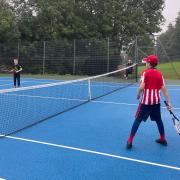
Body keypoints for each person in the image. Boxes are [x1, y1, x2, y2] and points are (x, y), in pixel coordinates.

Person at [126, 55, 172, 149]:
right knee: (159, 120)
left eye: (147, 62)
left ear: (149, 64)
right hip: (156, 102)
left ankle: (130, 141)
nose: (146, 64)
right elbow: (164, 89)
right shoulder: (160, 74)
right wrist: (169, 103)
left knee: (137, 120)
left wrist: (138, 94)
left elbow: (142, 87)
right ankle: (162, 139)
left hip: (145, 103)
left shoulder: (145, 73)